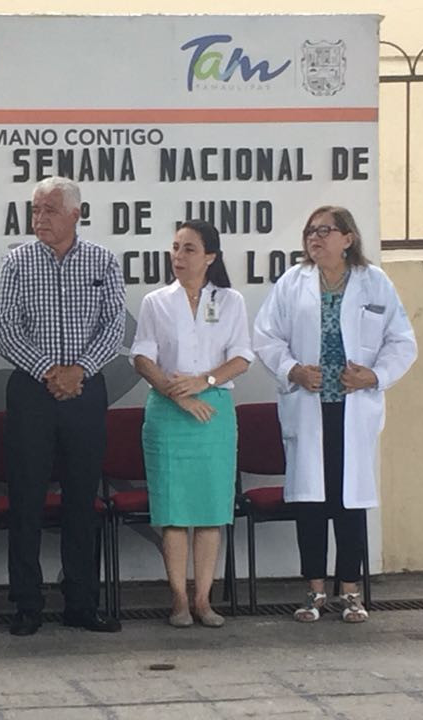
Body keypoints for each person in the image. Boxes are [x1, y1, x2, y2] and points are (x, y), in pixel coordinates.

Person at [252, 205, 417, 623]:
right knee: (310, 502)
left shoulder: (373, 283)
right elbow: (266, 336)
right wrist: (293, 369)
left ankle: (350, 592)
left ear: (348, 238)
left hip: (352, 408)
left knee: (349, 502)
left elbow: (402, 342)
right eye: (310, 231)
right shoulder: (293, 282)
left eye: (325, 230)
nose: (315, 238)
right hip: (309, 407)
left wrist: (374, 376)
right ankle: (313, 593)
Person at [0, 176, 126, 636]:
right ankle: (26, 603)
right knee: (26, 498)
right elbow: (6, 329)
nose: (40, 219)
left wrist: (79, 370)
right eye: (35, 210)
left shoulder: (103, 261)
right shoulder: (17, 262)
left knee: (81, 499)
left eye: (49, 210)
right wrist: (51, 370)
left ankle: (81, 602)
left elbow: (113, 329)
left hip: (85, 391)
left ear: (75, 214)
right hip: (32, 390)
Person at [131, 219, 252, 629]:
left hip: (214, 411)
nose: (178, 257)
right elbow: (143, 357)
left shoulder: (230, 300)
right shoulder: (156, 301)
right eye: (176, 247)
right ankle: (179, 599)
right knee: (176, 511)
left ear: (210, 257)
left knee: (210, 510)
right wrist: (175, 392)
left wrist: (204, 382)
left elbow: (242, 356)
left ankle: (204, 599)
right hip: (169, 412)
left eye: (189, 249)